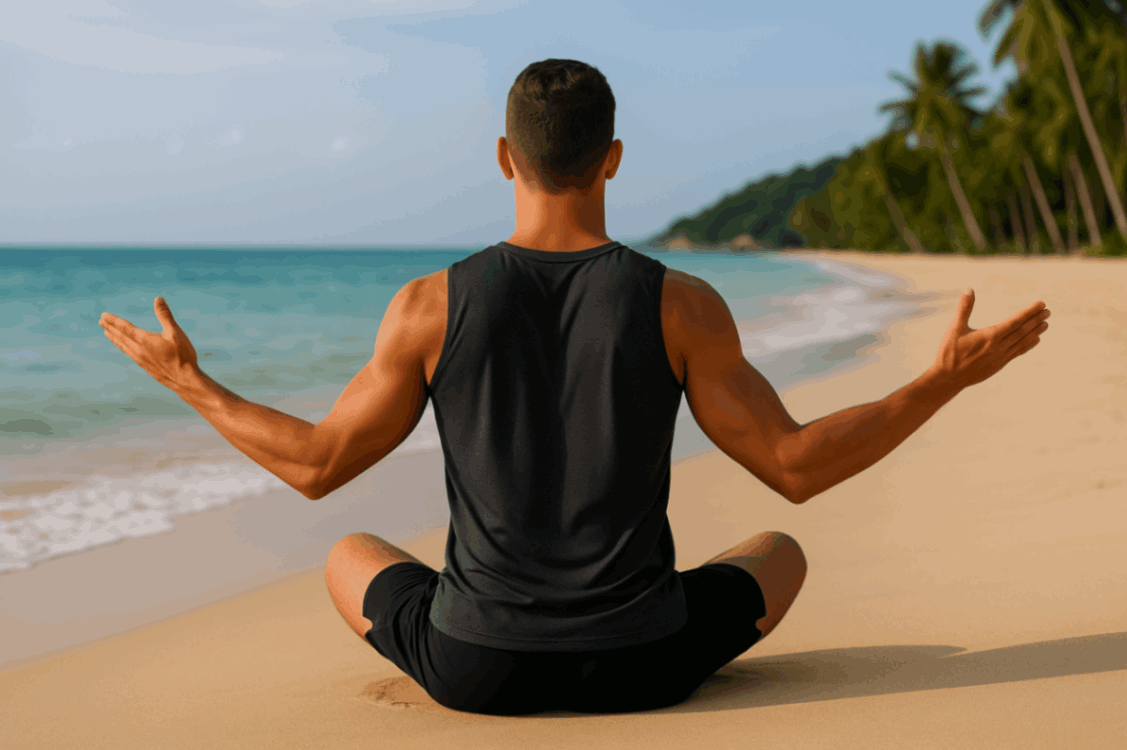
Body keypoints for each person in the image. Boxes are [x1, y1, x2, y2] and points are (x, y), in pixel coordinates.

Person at [98, 59, 1052, 716]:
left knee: (350, 550)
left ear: (507, 157)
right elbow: (795, 468)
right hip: (643, 663)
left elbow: (315, 466)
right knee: (781, 550)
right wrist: (939, 382)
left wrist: (192, 382)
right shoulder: (680, 303)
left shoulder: (429, 304)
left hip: (476, 667)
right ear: (612, 158)